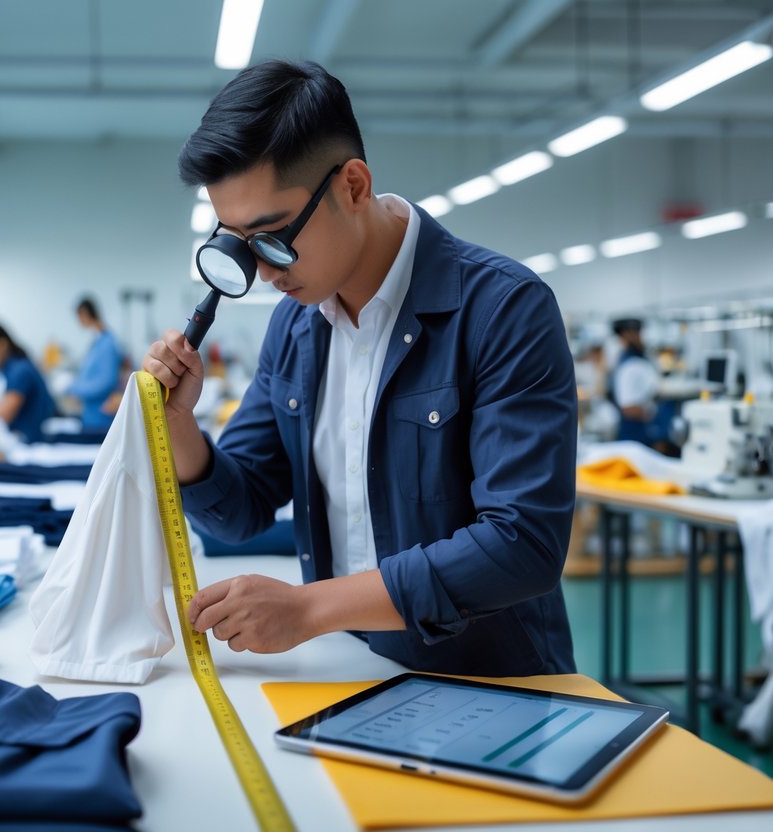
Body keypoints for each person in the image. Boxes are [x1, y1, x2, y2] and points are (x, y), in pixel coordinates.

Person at [142, 60, 578, 677]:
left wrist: (310, 609)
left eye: (272, 236)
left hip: (493, 684)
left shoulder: (501, 309)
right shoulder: (294, 328)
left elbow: (522, 544)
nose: (263, 272)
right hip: (349, 672)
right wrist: (179, 427)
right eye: (238, 244)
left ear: (352, 185)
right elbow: (242, 511)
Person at [0, 319, 57, 443]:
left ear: (1, 345)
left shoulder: (20, 370)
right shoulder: (6, 370)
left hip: (32, 443)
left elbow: (6, 412)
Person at [67, 297, 124, 430]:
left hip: (102, 418)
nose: (79, 322)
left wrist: (74, 388)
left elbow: (106, 381)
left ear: (84, 314)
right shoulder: (97, 341)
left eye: (79, 317)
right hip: (91, 416)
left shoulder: (107, 343)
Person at [609, 318, 660, 447]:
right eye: (638, 333)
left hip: (640, 430)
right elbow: (628, 408)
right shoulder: (629, 366)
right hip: (635, 433)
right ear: (627, 335)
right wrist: (655, 415)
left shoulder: (636, 360)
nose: (641, 338)